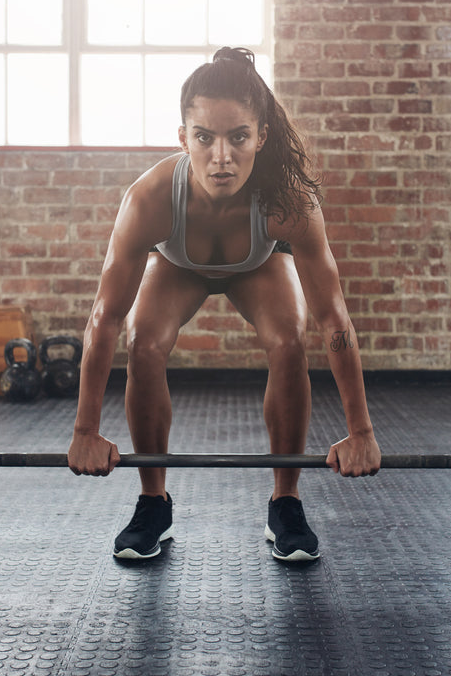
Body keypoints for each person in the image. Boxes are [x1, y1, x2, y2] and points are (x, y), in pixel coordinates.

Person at [66, 47, 381, 562]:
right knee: (142, 343)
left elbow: (334, 319)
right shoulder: (148, 200)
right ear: (183, 138)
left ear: (261, 136)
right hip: (178, 266)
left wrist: (361, 432)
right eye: (204, 138)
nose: (221, 157)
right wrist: (84, 431)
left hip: (258, 265)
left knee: (288, 341)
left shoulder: (290, 202)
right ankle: (153, 503)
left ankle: (286, 503)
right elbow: (104, 318)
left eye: (238, 137)